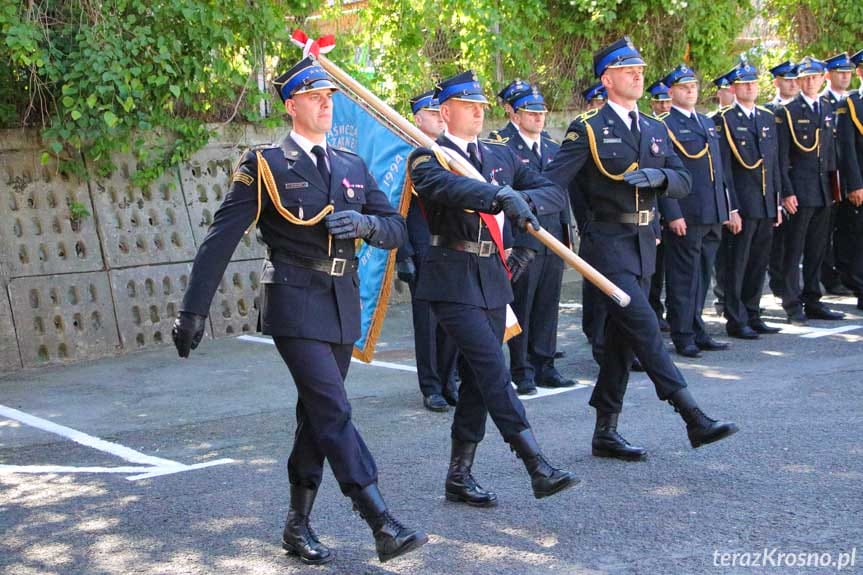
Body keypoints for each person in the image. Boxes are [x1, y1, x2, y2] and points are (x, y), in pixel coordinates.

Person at [171, 57, 427, 565]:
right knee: (333, 408)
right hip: (293, 299)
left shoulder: (351, 165)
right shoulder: (264, 164)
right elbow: (221, 239)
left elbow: (396, 229)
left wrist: (365, 226)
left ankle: (297, 524)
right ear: (292, 106)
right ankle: (378, 516)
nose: (326, 104)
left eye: (329, 97)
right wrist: (193, 310)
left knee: (317, 414)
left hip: (340, 302)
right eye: (315, 97)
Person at [545, 38, 739, 462]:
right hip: (607, 245)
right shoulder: (589, 128)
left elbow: (684, 181)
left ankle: (605, 431)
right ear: (607, 78)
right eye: (627, 69)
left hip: (643, 244)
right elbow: (554, 180)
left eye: (640, 68)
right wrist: (519, 205)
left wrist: (659, 178)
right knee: (645, 324)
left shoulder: (654, 127)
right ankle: (692, 416)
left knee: (622, 339)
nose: (637, 74)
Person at [408, 70, 579, 506]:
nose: (479, 111)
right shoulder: (428, 157)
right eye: (470, 105)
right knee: (492, 368)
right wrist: (499, 195)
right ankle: (535, 464)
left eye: (482, 105)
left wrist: (526, 202)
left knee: (476, 380)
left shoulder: (499, 156)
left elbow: (551, 189)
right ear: (445, 112)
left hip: (492, 278)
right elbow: (445, 187)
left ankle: (459, 476)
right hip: (450, 276)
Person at [657, 64, 738, 358]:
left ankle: (697, 328)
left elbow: (719, 171)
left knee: (702, 276)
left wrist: (728, 208)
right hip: (687, 214)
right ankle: (682, 334)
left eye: (693, 86)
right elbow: (663, 172)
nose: (690, 91)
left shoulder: (706, 123)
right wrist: (672, 212)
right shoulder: (664, 125)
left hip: (713, 212)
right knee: (683, 277)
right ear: (671, 91)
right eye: (683, 87)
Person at [502, 84, 575, 395]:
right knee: (523, 306)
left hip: (552, 238)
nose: (538, 118)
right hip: (523, 239)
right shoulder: (502, 146)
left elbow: (561, 194)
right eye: (531, 113)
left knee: (548, 304)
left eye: (541, 113)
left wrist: (566, 232)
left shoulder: (552, 148)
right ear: (516, 115)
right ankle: (522, 369)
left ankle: (545, 364)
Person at [397, 90, 459, 412]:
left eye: (440, 112)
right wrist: (403, 253)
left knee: (454, 318)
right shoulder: (406, 155)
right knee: (427, 321)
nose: (438, 117)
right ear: (417, 119)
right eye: (432, 113)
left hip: (452, 246)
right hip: (421, 247)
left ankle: (450, 380)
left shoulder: (452, 153)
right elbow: (397, 208)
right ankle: (431, 386)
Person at [715, 58, 783, 339]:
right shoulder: (725, 120)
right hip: (743, 204)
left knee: (758, 262)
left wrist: (777, 202)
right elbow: (725, 170)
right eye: (744, 84)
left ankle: (753, 312)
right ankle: (736, 317)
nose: (750, 88)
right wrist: (731, 208)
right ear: (734, 88)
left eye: (753, 83)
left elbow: (773, 163)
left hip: (766, 202)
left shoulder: (766, 117)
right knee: (736, 264)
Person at [776, 56, 844, 324]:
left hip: (823, 190)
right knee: (793, 251)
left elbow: (830, 153)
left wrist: (837, 188)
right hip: (800, 192)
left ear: (821, 79)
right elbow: (781, 158)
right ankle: (792, 304)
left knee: (817, 249)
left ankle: (813, 299)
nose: (810, 82)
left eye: (814, 77)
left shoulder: (827, 107)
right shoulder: (788, 112)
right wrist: (786, 192)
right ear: (799, 81)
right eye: (805, 78)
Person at [820, 52, 857, 296]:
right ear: (828, 75)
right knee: (825, 231)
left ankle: (848, 275)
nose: (845, 77)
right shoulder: (823, 102)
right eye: (839, 72)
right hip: (827, 174)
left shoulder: (855, 101)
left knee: (849, 228)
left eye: (848, 72)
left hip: (849, 174)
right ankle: (828, 277)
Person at [765, 60, 799, 299]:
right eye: (787, 79)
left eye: (795, 79)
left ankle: (792, 291)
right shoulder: (768, 111)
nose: (793, 84)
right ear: (776, 82)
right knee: (777, 245)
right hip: (779, 186)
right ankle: (782, 288)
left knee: (794, 246)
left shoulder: (804, 108)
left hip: (804, 187)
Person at [834, 48, 863, 311]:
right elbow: (847, 149)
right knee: (859, 239)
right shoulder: (851, 105)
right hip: (862, 182)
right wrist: (854, 184)